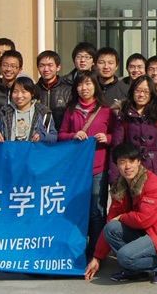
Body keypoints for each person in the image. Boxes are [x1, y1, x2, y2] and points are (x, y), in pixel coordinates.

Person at [83, 142, 157, 285]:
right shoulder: (120, 186)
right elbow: (111, 220)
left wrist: (122, 217)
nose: (127, 166)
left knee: (124, 257)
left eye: (131, 161)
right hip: (147, 230)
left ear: (139, 162)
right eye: (122, 162)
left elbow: (144, 219)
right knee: (111, 228)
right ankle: (135, 272)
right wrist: (97, 257)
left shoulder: (152, 183)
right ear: (116, 165)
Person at [58, 70, 111, 253]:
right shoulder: (71, 111)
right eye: (80, 84)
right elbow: (61, 135)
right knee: (78, 210)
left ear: (95, 86)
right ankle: (78, 248)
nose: (84, 88)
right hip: (77, 169)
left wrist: (107, 138)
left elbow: (116, 135)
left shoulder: (106, 111)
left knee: (97, 211)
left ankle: (96, 251)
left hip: (98, 167)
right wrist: (73, 135)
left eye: (88, 83)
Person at [109, 75, 157, 188]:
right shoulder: (124, 115)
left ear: (152, 94)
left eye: (146, 91)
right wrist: (114, 177)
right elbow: (116, 147)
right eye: (138, 90)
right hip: (131, 171)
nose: (141, 95)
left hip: (156, 170)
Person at [0, 77, 57, 142]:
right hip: (11, 148)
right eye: (15, 91)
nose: (19, 96)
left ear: (32, 93)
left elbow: (54, 137)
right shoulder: (5, 111)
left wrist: (42, 137)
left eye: (24, 92)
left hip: (33, 148)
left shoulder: (43, 112)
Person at [34, 50, 73, 128]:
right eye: (42, 65)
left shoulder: (69, 90)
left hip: (61, 133)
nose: (46, 69)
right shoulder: (33, 90)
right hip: (38, 134)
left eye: (50, 65)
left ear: (58, 67)